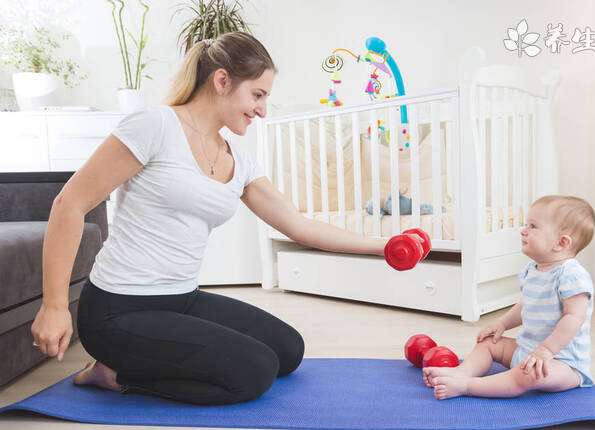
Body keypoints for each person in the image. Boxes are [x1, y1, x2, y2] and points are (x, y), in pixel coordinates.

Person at [30, 32, 390, 405]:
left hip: (181, 299)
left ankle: (134, 364)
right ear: (222, 81)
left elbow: (299, 225)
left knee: (288, 350)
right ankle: (116, 374)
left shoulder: (239, 159)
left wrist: (384, 246)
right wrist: (54, 306)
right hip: (117, 310)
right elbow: (69, 203)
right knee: (254, 372)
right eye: (258, 95)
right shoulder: (155, 125)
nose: (263, 110)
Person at [423, 195, 595, 400]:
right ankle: (461, 372)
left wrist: (546, 350)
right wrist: (502, 324)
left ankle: (468, 385)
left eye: (533, 226)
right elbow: (526, 305)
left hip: (562, 363)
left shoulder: (571, 275)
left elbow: (574, 318)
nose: (523, 230)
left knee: (528, 375)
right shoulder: (531, 270)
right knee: (488, 343)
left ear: (561, 242)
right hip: (527, 351)